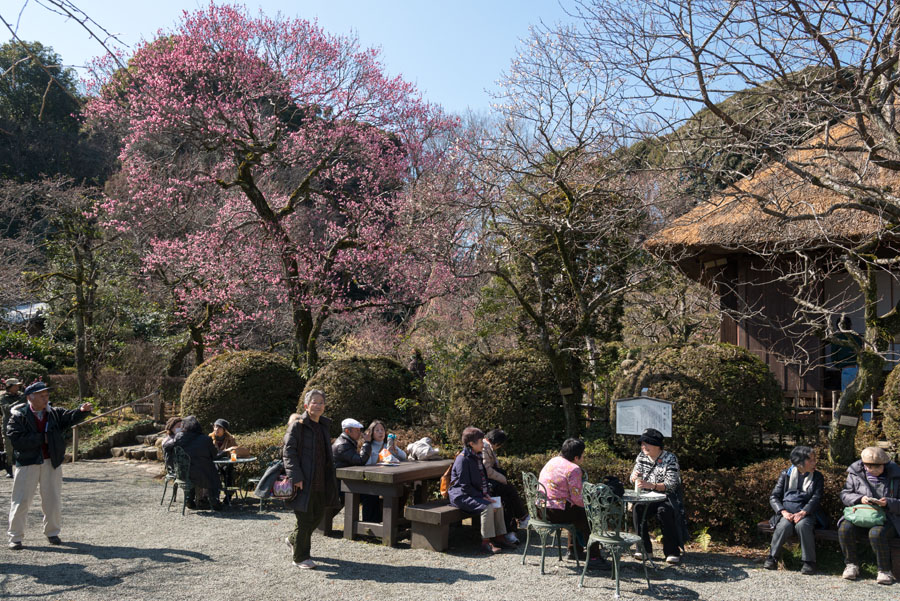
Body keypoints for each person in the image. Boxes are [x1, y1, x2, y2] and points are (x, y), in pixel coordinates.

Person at [6, 381, 92, 550]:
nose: (46, 398)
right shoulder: (19, 415)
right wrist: (41, 439)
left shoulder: (54, 413)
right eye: (42, 395)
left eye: (47, 395)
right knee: (21, 500)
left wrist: (82, 411)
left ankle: (52, 532)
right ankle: (15, 537)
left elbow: (69, 417)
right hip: (27, 462)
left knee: (52, 499)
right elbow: (16, 439)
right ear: (31, 397)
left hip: (51, 461)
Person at [283, 389, 339, 570]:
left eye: (321, 402)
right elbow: (288, 452)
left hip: (321, 480)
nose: (319, 405)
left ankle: (293, 540)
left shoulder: (323, 425)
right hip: (303, 480)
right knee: (305, 519)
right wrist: (296, 476)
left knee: (318, 515)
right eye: (315, 402)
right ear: (306, 406)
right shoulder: (298, 425)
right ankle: (300, 557)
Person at [838, 446, 900, 585]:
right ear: (864, 465)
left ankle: (884, 570)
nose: (873, 470)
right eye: (869, 467)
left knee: (876, 533)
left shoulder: (897, 476)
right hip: (860, 514)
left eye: (877, 468)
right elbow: (845, 494)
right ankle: (851, 565)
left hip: (887, 518)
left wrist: (889, 503)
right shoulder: (855, 473)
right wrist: (859, 499)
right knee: (844, 528)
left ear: (884, 464)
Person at [628, 428, 689, 565]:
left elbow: (672, 484)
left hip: (665, 497)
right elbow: (632, 477)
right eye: (642, 444)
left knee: (665, 511)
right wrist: (635, 478)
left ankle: (672, 551)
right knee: (638, 509)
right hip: (646, 496)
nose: (643, 447)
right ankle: (644, 549)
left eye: (646, 444)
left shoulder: (670, 458)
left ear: (656, 445)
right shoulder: (641, 456)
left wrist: (653, 485)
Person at [539, 437, 602, 566]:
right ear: (576, 457)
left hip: (541, 509)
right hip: (556, 512)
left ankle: (574, 550)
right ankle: (594, 557)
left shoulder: (553, 460)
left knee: (575, 511)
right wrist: (591, 505)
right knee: (588, 515)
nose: (584, 457)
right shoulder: (573, 469)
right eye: (583, 454)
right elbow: (577, 498)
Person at [449, 426, 512, 554]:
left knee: (497, 502)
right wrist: (481, 497)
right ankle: (486, 541)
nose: (483, 444)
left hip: (473, 493)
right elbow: (464, 485)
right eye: (480, 441)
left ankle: (499, 536)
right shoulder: (463, 459)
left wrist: (486, 494)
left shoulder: (476, 456)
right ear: (471, 444)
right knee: (487, 507)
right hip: (460, 495)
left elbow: (483, 479)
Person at [764, 446, 825, 574]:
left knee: (803, 526)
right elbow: (774, 496)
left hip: (807, 513)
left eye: (815, 460)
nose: (815, 463)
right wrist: (783, 512)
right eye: (811, 460)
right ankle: (772, 558)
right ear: (799, 463)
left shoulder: (818, 477)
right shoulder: (786, 474)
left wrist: (803, 512)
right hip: (786, 513)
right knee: (784, 526)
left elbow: (816, 498)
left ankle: (809, 563)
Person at [163, 415, 222, 510]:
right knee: (214, 473)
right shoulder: (205, 439)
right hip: (203, 474)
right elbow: (214, 454)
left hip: (184, 474)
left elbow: (166, 446)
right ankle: (214, 501)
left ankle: (189, 500)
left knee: (192, 472)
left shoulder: (179, 437)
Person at [482, 428, 528, 543]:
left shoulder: (487, 446)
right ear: (497, 443)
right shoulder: (485, 447)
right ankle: (521, 518)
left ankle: (510, 531)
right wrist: (502, 479)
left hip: (489, 483)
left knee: (507, 498)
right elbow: (486, 469)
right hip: (485, 484)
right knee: (509, 491)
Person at [360, 419, 406, 522]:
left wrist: (395, 449)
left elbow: (404, 457)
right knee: (372, 496)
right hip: (373, 480)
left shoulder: (388, 445)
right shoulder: (369, 446)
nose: (381, 432)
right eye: (377, 430)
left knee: (404, 489)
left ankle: (396, 520)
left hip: (389, 479)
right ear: (371, 433)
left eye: (382, 430)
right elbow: (366, 464)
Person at [210, 418, 238, 504]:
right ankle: (215, 496)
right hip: (214, 462)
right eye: (215, 427)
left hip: (226, 463)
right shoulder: (210, 438)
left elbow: (234, 452)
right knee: (214, 472)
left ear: (224, 430)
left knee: (228, 471)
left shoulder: (230, 438)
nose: (216, 429)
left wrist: (233, 457)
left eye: (219, 427)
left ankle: (228, 495)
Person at [0, 378, 24, 478]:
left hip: (22, 425)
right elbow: (7, 409)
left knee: (23, 448)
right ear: (9, 387)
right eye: (15, 385)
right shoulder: (3, 397)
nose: (17, 387)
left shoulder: (22, 395)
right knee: (9, 449)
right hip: (8, 426)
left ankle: (23, 469)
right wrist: (20, 402)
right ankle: (9, 470)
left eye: (18, 385)